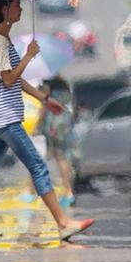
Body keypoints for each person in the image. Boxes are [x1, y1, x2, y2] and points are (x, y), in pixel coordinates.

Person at [0, 0, 94, 246]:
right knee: (38, 165)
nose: (21, 9)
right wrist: (28, 56)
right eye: (17, 5)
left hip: (3, 117)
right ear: (5, 10)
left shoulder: (2, 41)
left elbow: (16, 80)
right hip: (6, 117)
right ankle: (62, 223)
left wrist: (44, 99)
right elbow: (7, 79)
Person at [37, 76, 76, 207]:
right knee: (64, 157)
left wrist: (37, 125)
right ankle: (69, 192)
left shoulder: (47, 86)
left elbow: (44, 105)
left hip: (53, 123)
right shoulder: (65, 85)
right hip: (65, 123)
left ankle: (68, 192)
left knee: (57, 158)